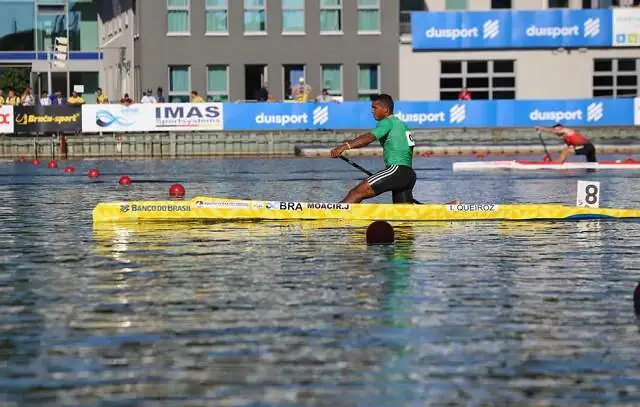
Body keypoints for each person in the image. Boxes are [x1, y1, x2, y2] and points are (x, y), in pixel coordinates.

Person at [330, 93, 416, 204]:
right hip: (409, 174)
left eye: (375, 107)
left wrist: (344, 146)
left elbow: (369, 137)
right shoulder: (401, 125)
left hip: (396, 170)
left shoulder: (387, 122)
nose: (372, 110)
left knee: (356, 193)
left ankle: (336, 216)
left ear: (385, 110)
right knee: (404, 215)